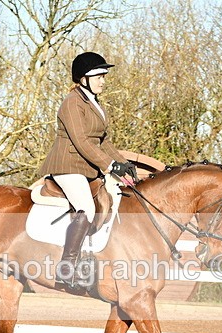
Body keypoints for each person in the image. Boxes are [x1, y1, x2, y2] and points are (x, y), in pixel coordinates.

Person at [39, 51, 137, 285]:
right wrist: (110, 165)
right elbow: (82, 141)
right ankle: (66, 269)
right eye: (99, 76)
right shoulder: (71, 103)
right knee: (86, 208)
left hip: (87, 166)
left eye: (104, 76)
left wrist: (122, 162)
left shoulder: (93, 103)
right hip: (67, 165)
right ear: (83, 78)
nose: (103, 80)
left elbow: (102, 140)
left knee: (113, 199)